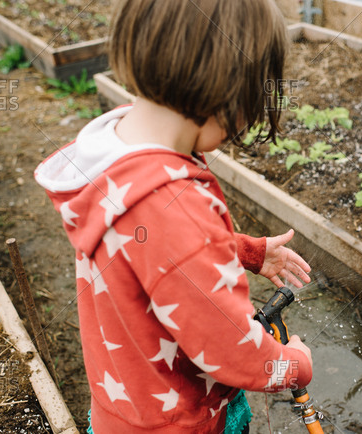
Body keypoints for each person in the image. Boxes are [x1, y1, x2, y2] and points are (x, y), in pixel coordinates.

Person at [34, 0, 314, 432]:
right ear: (227, 93)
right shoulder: (171, 200)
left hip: (124, 402)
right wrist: (293, 366)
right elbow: (231, 351)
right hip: (179, 420)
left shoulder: (117, 155)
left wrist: (245, 251)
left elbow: (154, 246)